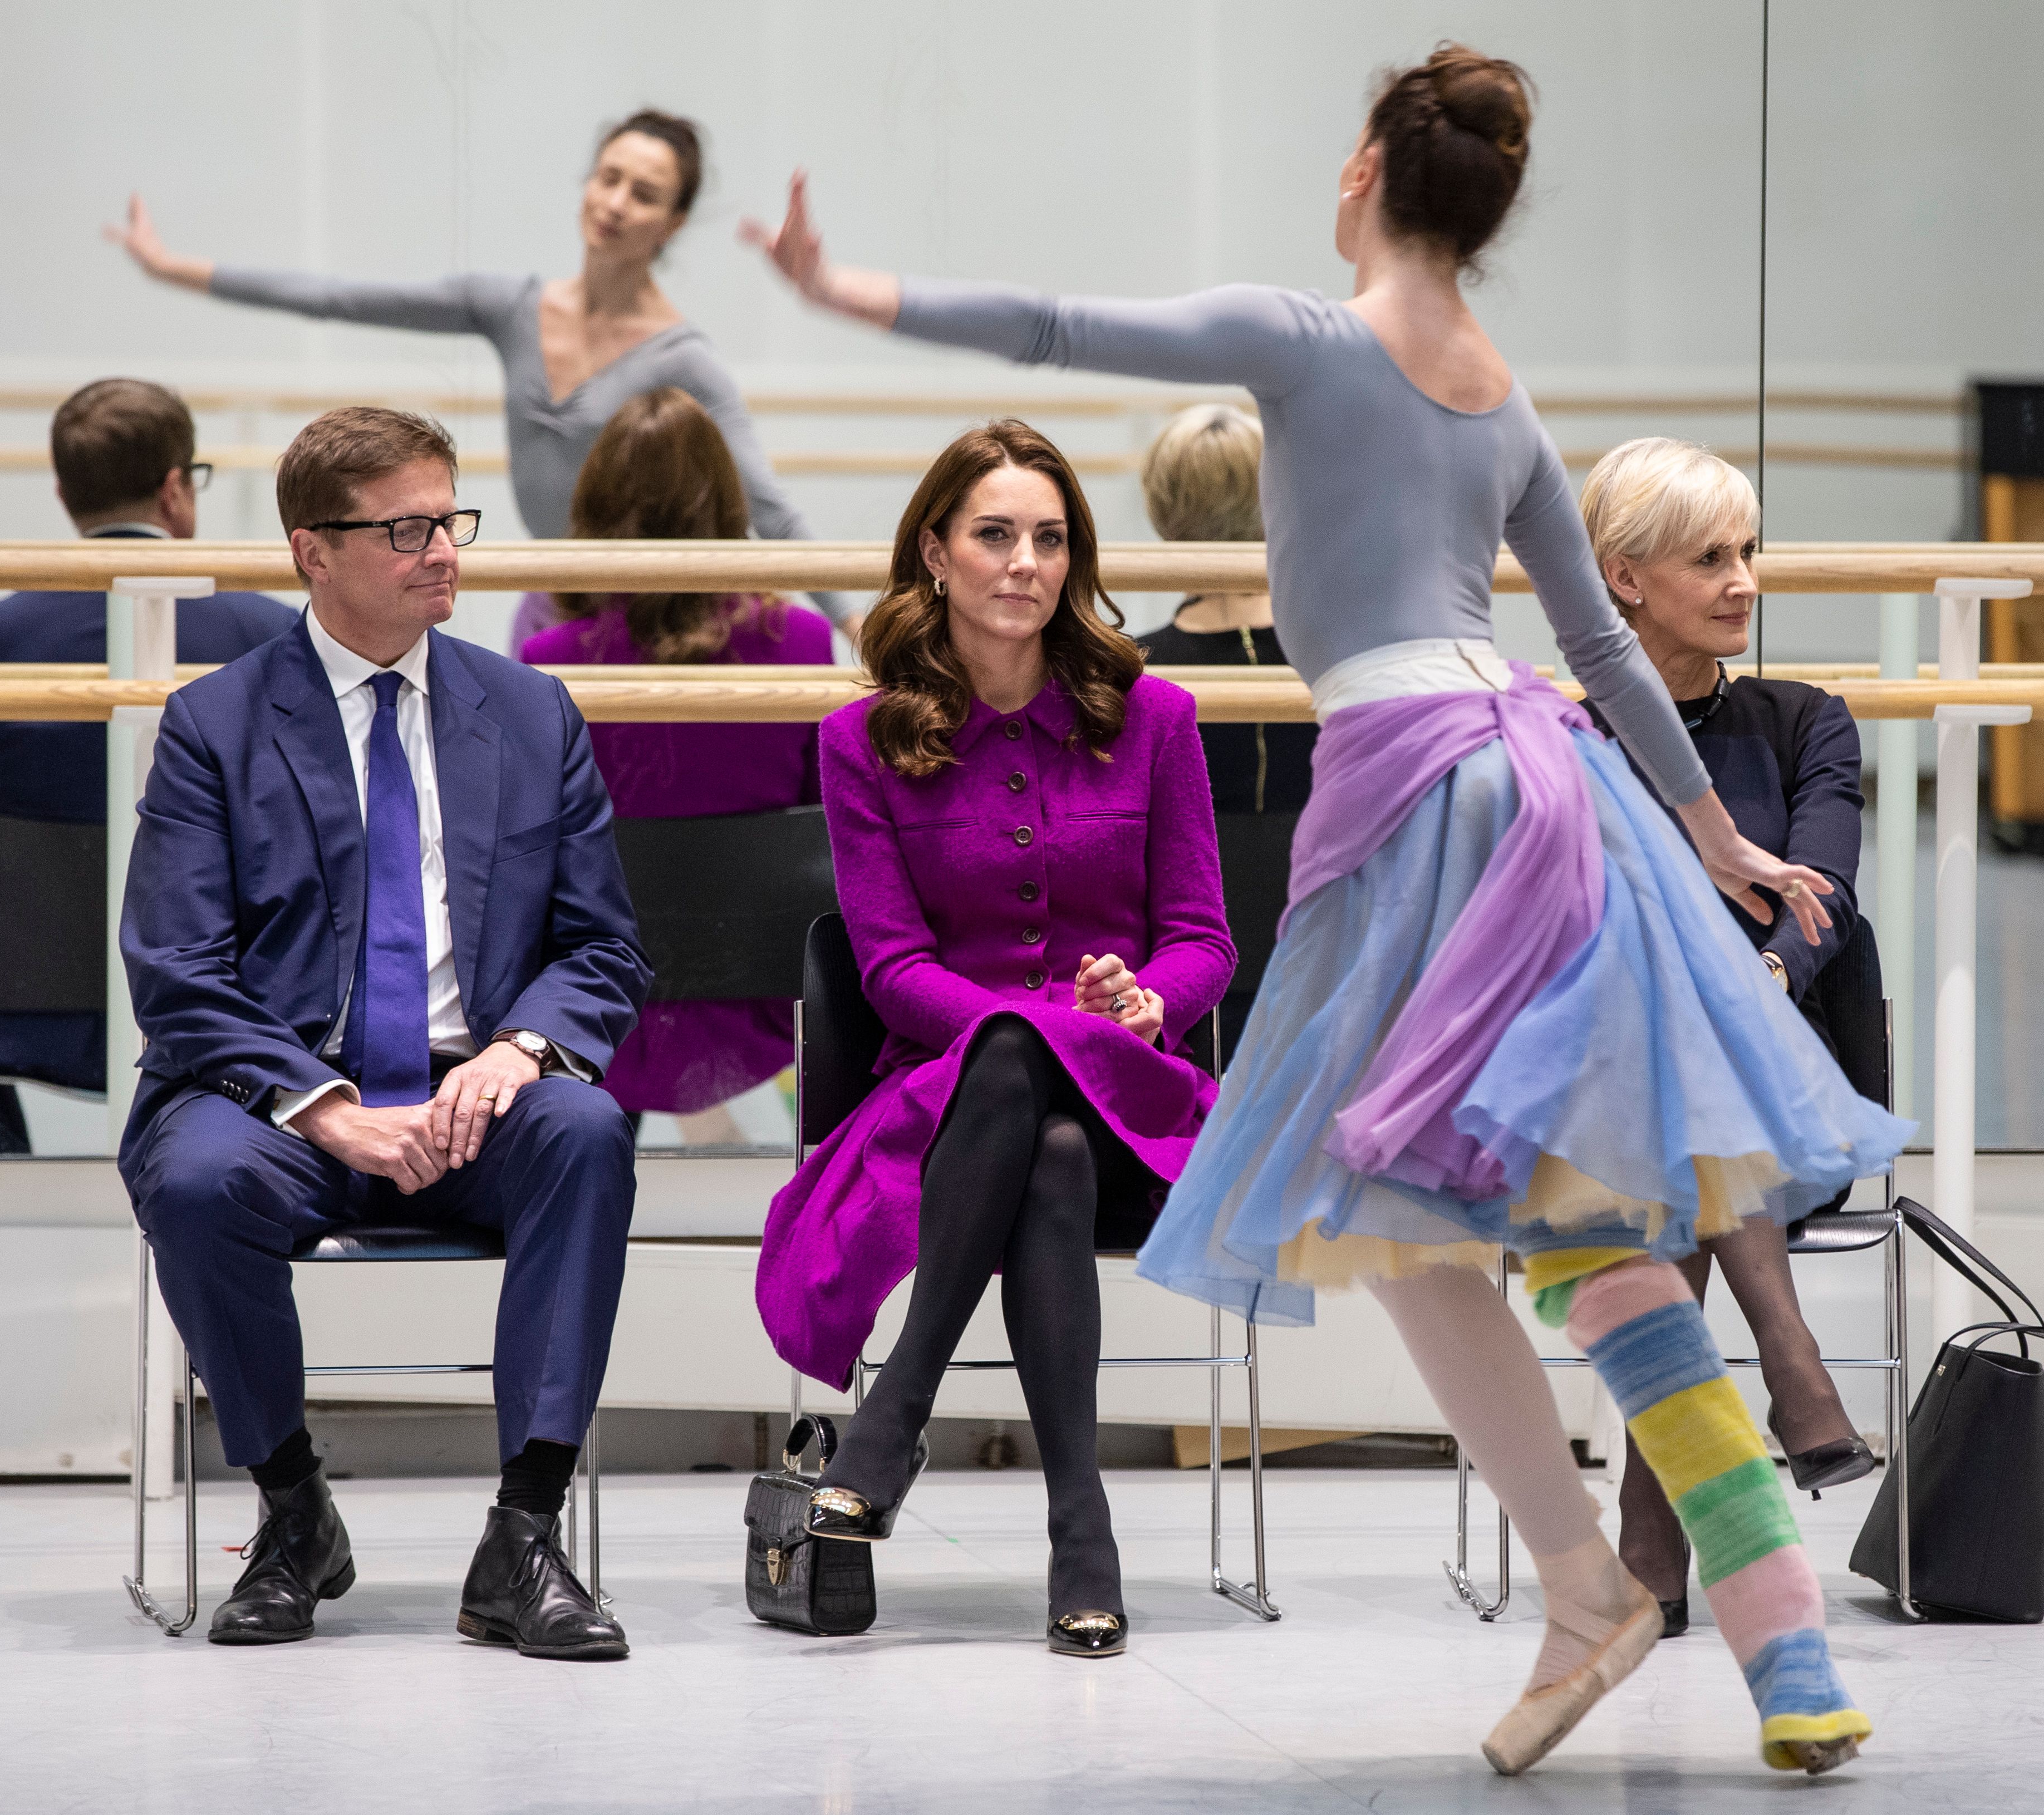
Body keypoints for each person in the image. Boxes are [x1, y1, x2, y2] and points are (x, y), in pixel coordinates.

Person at [745, 42, 1908, 1777]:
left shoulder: (1306, 338)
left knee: (1414, 1229)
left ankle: (1597, 1589)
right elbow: (1594, 648)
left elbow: (1061, 330)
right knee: (1562, 1227)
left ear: (1365, 168)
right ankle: (1775, 1644)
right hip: (1546, 780)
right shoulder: (1499, 391)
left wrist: (845, 288)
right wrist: (1714, 838)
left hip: (1422, 794)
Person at [119, 406, 649, 1659]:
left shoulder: (530, 712)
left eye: (450, 520)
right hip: (288, 1104)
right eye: (405, 529)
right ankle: (294, 1509)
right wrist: (324, 1106)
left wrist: (521, 1050)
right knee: (193, 1177)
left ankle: (523, 1534)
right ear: (313, 551)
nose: (443, 551)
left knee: (587, 1131)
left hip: (484, 1099)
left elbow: (604, 949)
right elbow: (176, 972)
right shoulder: (216, 724)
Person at [754, 421, 1232, 1662]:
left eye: (1050, 536)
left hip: (1139, 1100)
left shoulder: (1157, 717)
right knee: (1042, 1129)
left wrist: (1148, 1006)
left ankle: (892, 1411)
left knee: (1070, 1117)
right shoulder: (861, 741)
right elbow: (892, 973)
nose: (1025, 561)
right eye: (994, 534)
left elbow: (1202, 942)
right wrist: (1030, 1022)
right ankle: (1083, 1529)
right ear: (935, 551)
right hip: (939, 1107)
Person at [104, 108, 847, 628]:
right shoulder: (512, 306)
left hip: (649, 617)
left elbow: (773, 512)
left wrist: (858, 629)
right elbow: (339, 297)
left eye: (644, 193)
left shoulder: (683, 359)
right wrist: (176, 270)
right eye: (608, 178)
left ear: (674, 221)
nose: (616, 203)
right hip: (553, 605)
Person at [1579, 437, 1883, 1640]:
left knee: (1697, 1093)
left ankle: (1648, 1548)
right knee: (1675, 1067)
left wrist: (1751, 976)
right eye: (1709, 558)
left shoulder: (1807, 721)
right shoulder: (1569, 739)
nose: (1744, 579)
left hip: (1781, 1100)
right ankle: (1792, 1364)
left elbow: (1823, 899)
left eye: (1748, 552)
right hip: (1590, 1096)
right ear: (1622, 577)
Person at [0, 378, 297, 1153]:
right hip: (226, 1003)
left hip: (22, 1000)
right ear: (176, 488)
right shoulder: (264, 628)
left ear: (65, 492)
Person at [520, 386, 834, 1136]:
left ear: (594, 508)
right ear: (726, 508)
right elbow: (824, 839)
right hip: (763, 1007)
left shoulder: (548, 663)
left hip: (599, 1008)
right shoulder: (803, 646)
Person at [1132, 405, 1316, 816]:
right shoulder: (1332, 650)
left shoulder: (1128, 667)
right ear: (1274, 497)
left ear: (1162, 508)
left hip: (1187, 878)